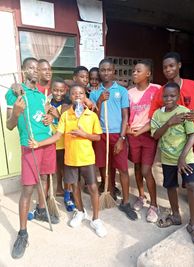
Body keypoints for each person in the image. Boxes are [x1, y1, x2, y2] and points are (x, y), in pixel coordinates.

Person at [29, 84, 107, 238]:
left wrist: (83, 134)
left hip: (87, 159)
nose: (77, 95)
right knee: (75, 187)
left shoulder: (91, 115)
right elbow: (57, 136)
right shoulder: (65, 115)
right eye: (74, 93)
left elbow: (98, 136)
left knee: (92, 187)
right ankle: (80, 212)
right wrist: (39, 143)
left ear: (85, 96)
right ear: (70, 96)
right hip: (70, 159)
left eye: (81, 93)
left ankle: (96, 219)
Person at [6, 57, 59, 259]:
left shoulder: (40, 94)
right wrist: (17, 113)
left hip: (46, 142)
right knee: (27, 188)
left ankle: (41, 209)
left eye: (38, 68)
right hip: (30, 145)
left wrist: (49, 117)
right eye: (31, 68)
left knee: (44, 178)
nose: (36, 71)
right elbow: (10, 125)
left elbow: (45, 115)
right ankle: (22, 233)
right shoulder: (15, 93)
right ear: (23, 70)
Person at [151, 82, 194, 248]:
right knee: (170, 186)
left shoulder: (185, 112)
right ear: (162, 97)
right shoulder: (158, 115)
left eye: (172, 96)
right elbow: (156, 136)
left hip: (186, 157)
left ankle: (193, 224)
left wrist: (182, 158)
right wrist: (169, 122)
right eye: (165, 96)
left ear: (178, 97)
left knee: (192, 185)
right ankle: (176, 215)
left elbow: (192, 136)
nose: (168, 99)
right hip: (167, 158)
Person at [90, 58, 137, 220]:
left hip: (117, 134)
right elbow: (93, 117)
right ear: (99, 72)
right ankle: (108, 193)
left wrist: (122, 138)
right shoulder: (95, 92)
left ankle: (125, 202)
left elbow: (126, 116)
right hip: (101, 135)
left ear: (114, 71)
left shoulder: (122, 91)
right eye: (102, 70)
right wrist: (99, 100)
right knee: (104, 167)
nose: (106, 73)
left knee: (122, 168)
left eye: (109, 70)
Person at [149, 52, 194, 173]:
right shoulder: (160, 92)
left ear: (179, 65)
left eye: (171, 66)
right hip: (172, 140)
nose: (168, 69)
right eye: (165, 67)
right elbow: (154, 117)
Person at [127, 60, 160, 222]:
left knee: (147, 170)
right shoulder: (129, 92)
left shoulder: (157, 89)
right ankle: (141, 196)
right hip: (133, 135)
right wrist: (126, 130)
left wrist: (141, 130)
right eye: (133, 71)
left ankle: (154, 205)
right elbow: (125, 115)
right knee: (138, 168)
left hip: (148, 135)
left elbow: (159, 116)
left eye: (138, 71)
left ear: (148, 74)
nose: (134, 73)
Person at [47, 77, 75, 210]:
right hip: (53, 141)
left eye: (61, 90)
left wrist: (57, 116)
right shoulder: (47, 103)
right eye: (55, 90)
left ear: (65, 90)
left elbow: (70, 123)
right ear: (51, 90)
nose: (58, 93)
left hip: (66, 142)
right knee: (56, 167)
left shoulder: (68, 105)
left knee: (67, 168)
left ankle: (68, 191)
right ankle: (59, 188)